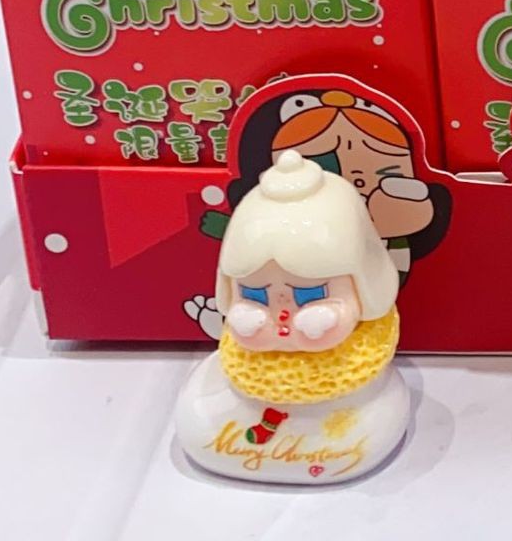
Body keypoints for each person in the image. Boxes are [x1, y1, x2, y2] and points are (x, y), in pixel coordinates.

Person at [174, 149, 409, 482]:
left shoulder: (370, 380)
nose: (283, 313)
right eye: (255, 294)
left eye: (310, 294)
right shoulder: (214, 387)